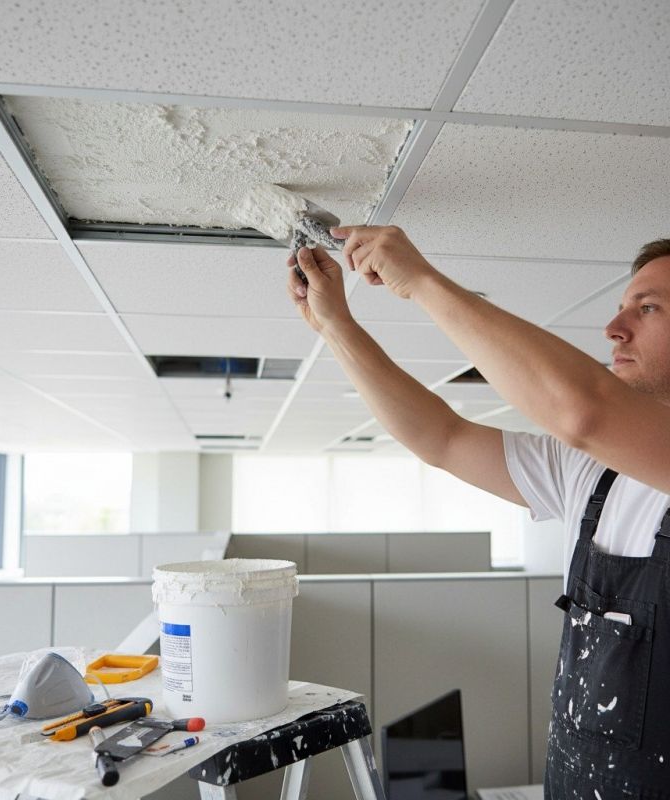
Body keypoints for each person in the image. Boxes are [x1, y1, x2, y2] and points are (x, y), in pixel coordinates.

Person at [287, 228, 670, 798]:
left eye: (649, 307)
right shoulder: (590, 474)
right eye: (622, 307)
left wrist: (422, 281)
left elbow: (583, 411)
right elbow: (440, 437)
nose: (614, 328)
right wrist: (337, 327)